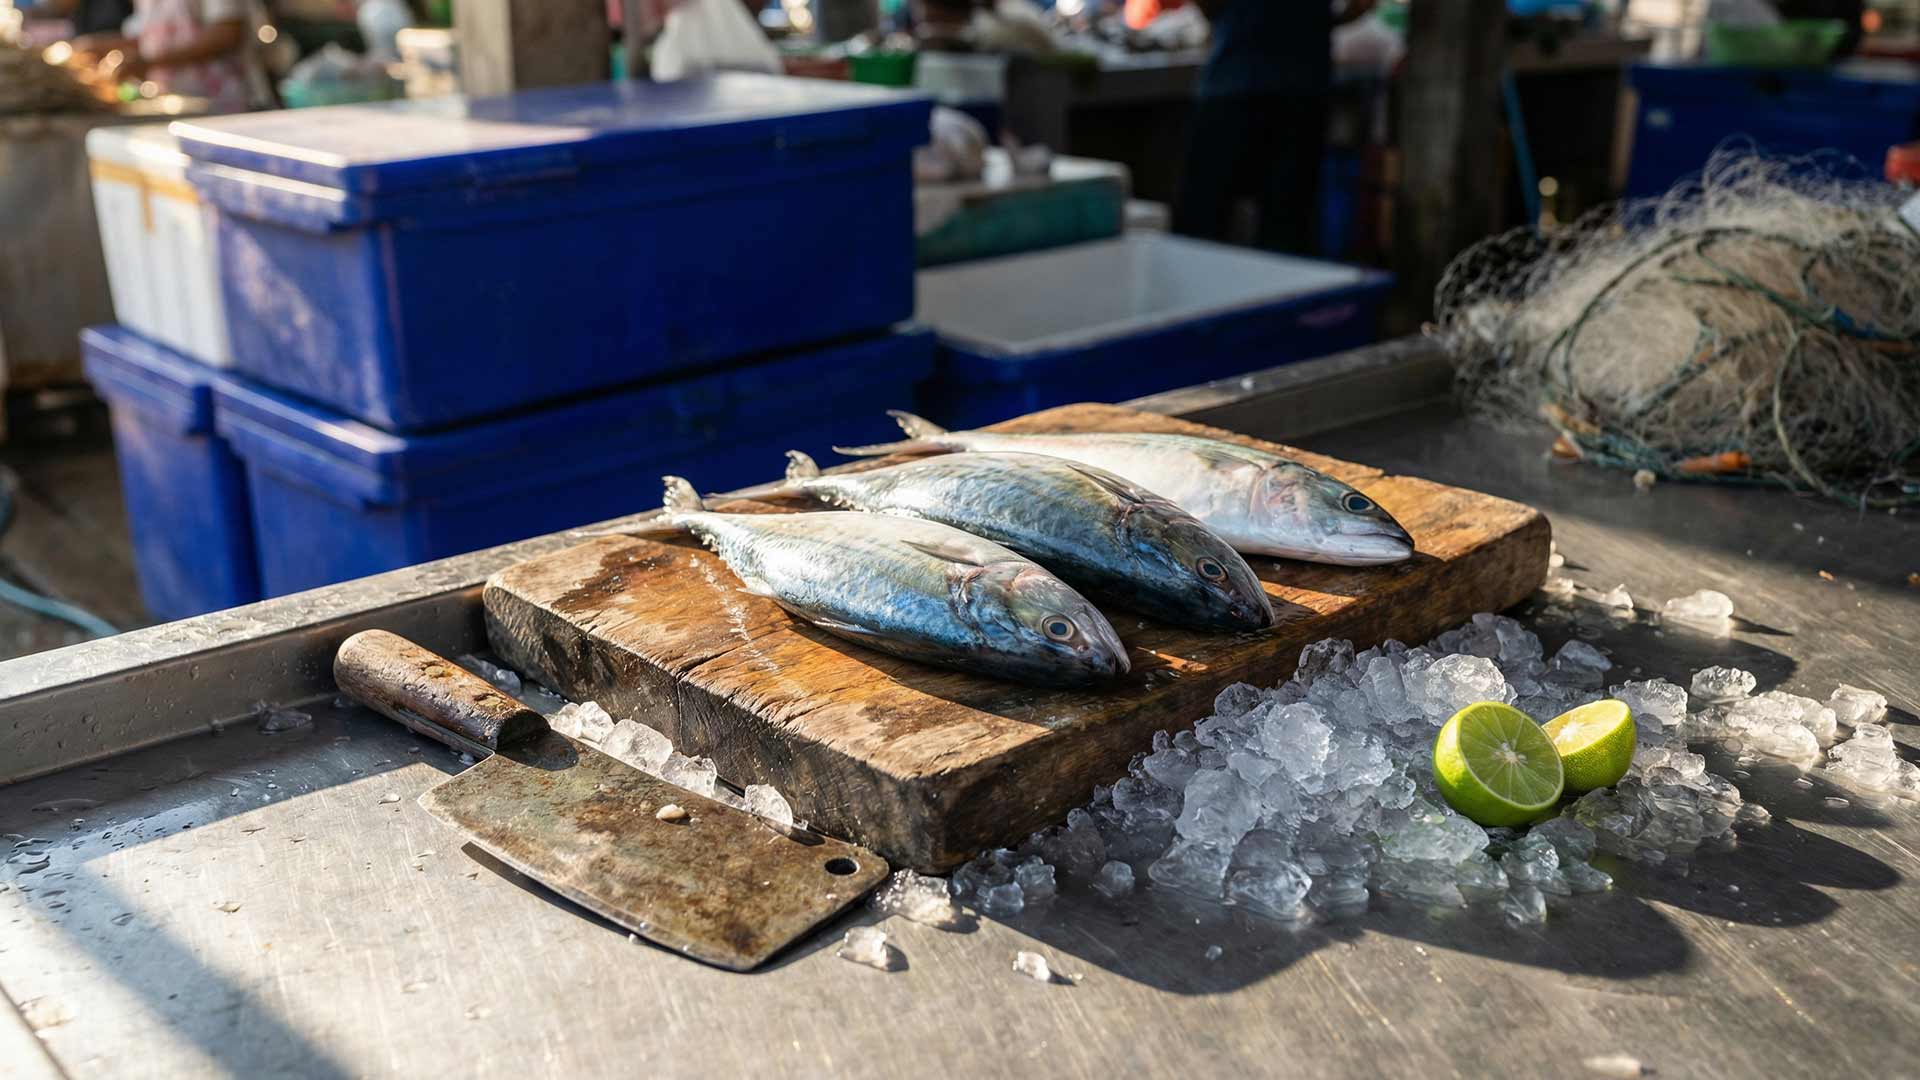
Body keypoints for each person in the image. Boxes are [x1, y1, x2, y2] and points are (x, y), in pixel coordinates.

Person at [1174, 0, 1375, 255]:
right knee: (1285, 230)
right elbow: (1363, 4)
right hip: (1300, 89)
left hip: (1234, 84)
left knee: (1201, 222)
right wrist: (1313, 23)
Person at [71, 0, 265, 112]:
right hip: (176, 102)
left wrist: (149, 63)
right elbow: (149, 36)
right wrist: (95, 46)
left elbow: (227, 33)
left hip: (227, 105)